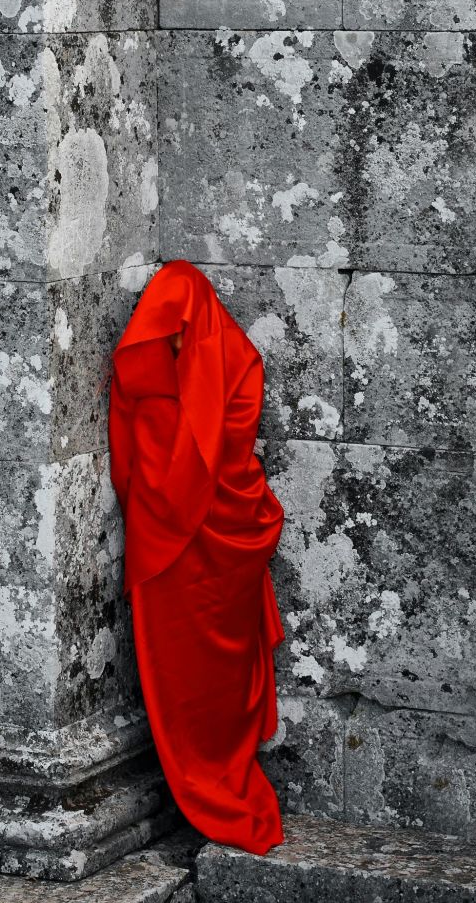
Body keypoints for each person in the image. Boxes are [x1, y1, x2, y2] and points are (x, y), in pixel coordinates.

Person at [108, 259, 286, 855]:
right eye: (164, 331)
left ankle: (224, 773)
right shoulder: (147, 376)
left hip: (221, 550)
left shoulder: (235, 360)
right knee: (179, 674)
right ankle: (197, 778)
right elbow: (132, 465)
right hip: (169, 557)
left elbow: (227, 452)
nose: (174, 341)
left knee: (223, 675)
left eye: (181, 328)